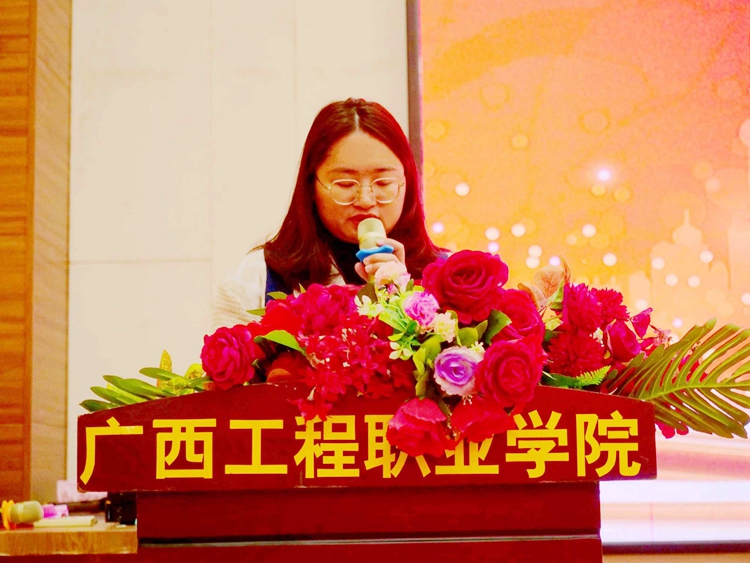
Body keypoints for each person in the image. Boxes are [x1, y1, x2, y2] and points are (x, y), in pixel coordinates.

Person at [212, 98, 445, 329]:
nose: (366, 200)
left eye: (384, 182)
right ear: (311, 186)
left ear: (407, 183)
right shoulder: (255, 280)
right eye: (345, 184)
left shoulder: (448, 279)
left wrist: (401, 300)